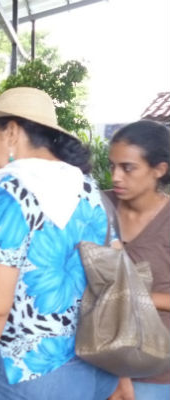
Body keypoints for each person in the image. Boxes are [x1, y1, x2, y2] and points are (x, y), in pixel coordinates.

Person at [0, 87, 118, 400]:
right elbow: (113, 278)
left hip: (26, 375)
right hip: (91, 369)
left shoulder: (14, 190)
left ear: (11, 132)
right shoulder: (92, 192)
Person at [107, 120, 170, 400]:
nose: (116, 177)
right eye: (112, 166)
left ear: (159, 170)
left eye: (128, 168)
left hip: (154, 372)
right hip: (97, 360)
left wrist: (129, 291)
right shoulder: (99, 207)